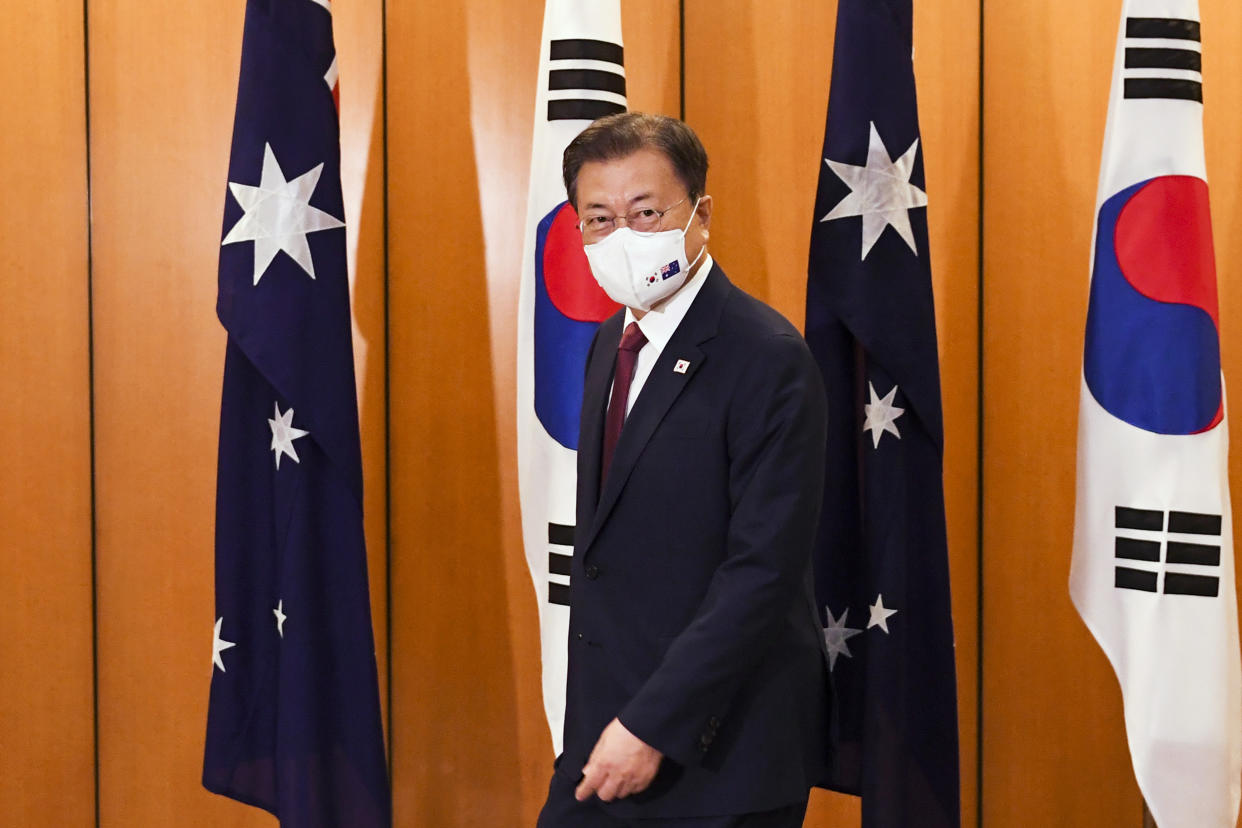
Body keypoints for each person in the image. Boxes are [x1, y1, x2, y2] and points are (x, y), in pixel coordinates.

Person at [536, 112, 831, 828]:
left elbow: (760, 573)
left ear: (700, 213)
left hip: (715, 752)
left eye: (646, 212)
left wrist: (653, 727)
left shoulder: (766, 356)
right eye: (599, 218)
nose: (623, 236)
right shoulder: (613, 340)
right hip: (605, 734)